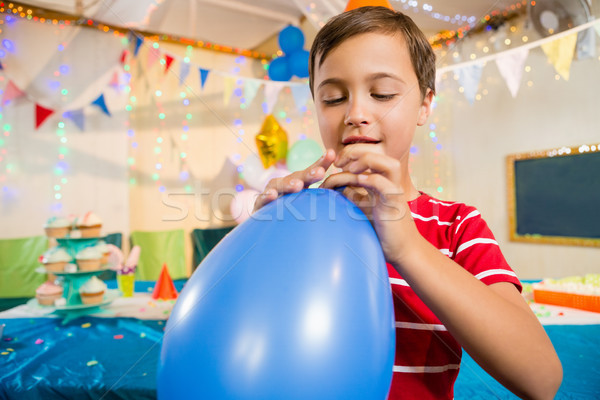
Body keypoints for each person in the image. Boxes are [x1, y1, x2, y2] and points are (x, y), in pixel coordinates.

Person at [254, 6, 562, 400]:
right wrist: (260, 246)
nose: (355, 114)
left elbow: (542, 379)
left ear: (424, 105)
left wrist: (407, 247)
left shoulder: (457, 227)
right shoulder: (298, 216)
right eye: (332, 98)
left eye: (382, 93)